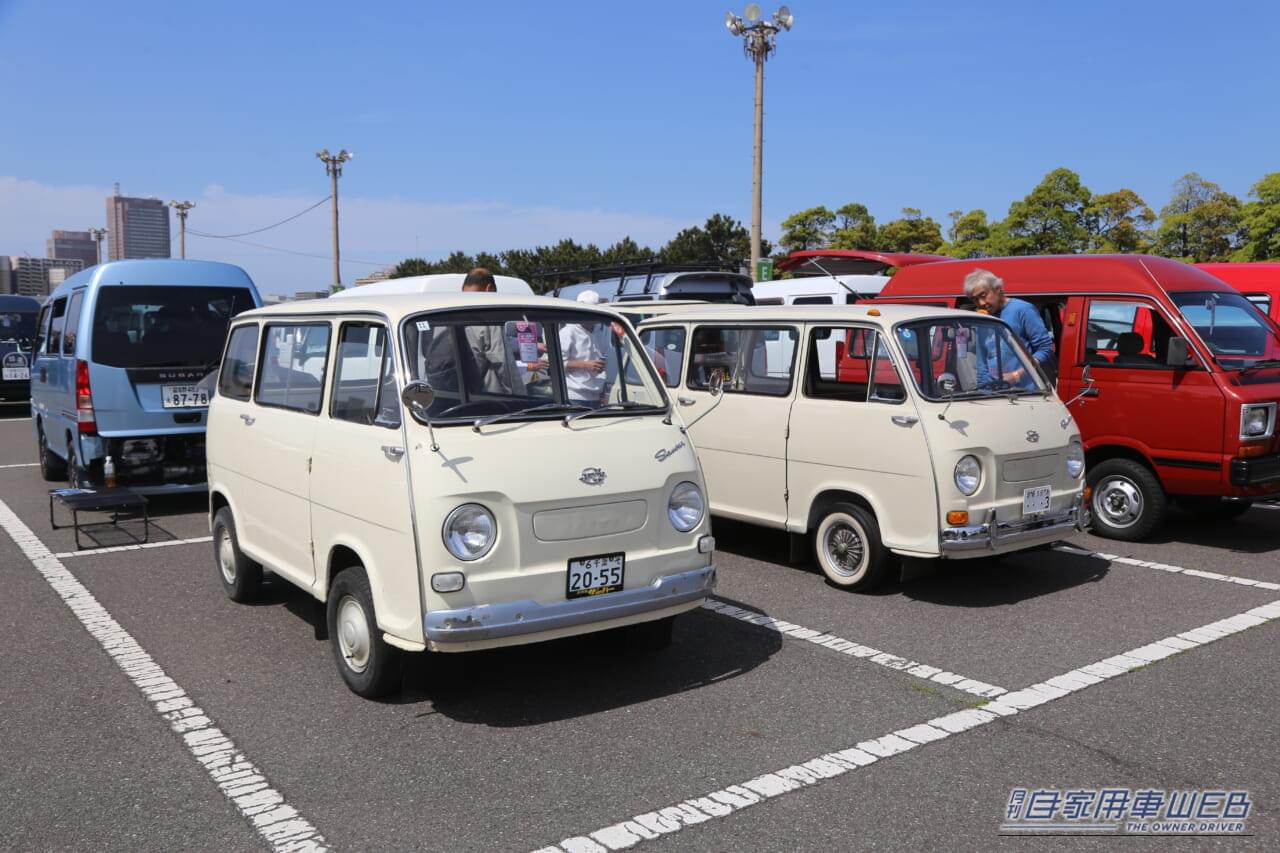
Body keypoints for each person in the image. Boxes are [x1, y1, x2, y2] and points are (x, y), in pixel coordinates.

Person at [963, 268, 1056, 387]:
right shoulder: (982, 317)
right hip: (994, 394)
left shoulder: (1023, 310)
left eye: (983, 295)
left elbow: (1045, 348)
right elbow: (982, 362)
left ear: (998, 289)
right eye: (975, 299)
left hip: (1025, 393)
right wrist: (983, 390)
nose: (981, 303)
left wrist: (1016, 375)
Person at [459, 268, 524, 394]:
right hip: (487, 398)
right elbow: (504, 365)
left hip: (452, 396)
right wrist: (521, 398)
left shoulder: (448, 315)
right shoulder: (488, 319)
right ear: (489, 289)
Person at [559, 290, 615, 407]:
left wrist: (603, 391)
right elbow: (556, 363)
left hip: (596, 394)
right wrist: (585, 364)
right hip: (574, 395)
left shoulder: (602, 329)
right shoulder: (567, 332)